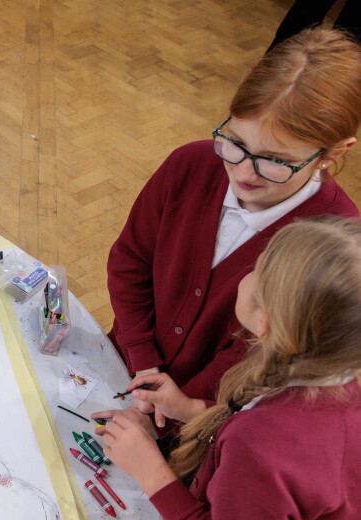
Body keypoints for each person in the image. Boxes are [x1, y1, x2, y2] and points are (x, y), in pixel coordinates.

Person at [96, 217, 361, 520]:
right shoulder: (337, 379)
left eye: (259, 268)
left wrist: (150, 469)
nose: (246, 272)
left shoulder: (266, 444)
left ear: (267, 320)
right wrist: (191, 409)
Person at [106, 27, 361, 405]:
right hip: (122, 365)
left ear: (332, 154)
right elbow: (131, 260)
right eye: (237, 143)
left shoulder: (334, 244)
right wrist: (143, 359)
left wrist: (189, 407)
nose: (242, 174)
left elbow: (271, 354)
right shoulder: (190, 164)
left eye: (277, 161)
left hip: (206, 418)